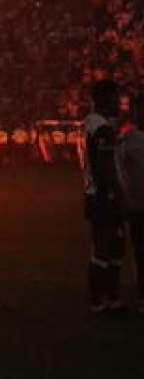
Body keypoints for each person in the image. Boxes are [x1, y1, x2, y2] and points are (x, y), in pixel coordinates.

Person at [82, 80, 126, 315]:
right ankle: (102, 299)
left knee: (106, 246)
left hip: (94, 193)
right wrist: (116, 193)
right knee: (107, 246)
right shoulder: (101, 129)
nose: (118, 102)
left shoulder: (91, 124)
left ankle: (107, 298)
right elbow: (105, 167)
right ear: (104, 99)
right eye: (115, 96)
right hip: (102, 195)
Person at [115, 95, 144, 310]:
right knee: (140, 251)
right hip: (137, 205)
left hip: (136, 204)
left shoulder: (128, 139)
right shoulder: (128, 139)